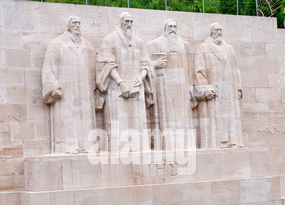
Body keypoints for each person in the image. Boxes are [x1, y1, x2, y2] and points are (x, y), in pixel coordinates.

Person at [96, 12, 155, 151]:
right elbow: (107, 63)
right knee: (118, 121)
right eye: (126, 21)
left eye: (131, 21)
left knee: (138, 121)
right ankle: (119, 149)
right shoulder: (109, 40)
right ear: (121, 22)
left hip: (136, 86)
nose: (129, 24)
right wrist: (120, 82)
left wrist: (141, 77)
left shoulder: (139, 42)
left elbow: (146, 63)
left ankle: (139, 147)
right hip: (116, 87)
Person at [41, 16, 96, 154]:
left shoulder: (87, 45)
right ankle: (67, 146)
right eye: (74, 23)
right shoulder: (57, 43)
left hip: (84, 88)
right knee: (67, 117)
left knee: (85, 116)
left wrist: (97, 89)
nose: (77, 25)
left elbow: (94, 68)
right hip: (66, 89)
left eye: (79, 23)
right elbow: (48, 67)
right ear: (68, 26)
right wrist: (53, 87)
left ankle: (86, 145)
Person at [146, 19, 195, 151]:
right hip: (164, 86)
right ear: (164, 29)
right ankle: (167, 145)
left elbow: (190, 67)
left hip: (182, 87)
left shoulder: (184, 45)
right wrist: (155, 65)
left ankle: (185, 145)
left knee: (183, 117)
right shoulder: (154, 44)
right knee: (165, 117)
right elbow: (145, 64)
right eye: (170, 26)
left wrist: (190, 87)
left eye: (175, 26)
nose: (173, 29)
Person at [193, 22, 244, 149]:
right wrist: (205, 88)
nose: (219, 32)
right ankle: (217, 143)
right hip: (214, 90)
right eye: (216, 30)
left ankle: (233, 142)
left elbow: (235, 69)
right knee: (215, 117)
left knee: (231, 117)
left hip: (229, 90)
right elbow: (199, 71)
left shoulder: (229, 49)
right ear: (211, 32)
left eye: (221, 30)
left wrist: (238, 87)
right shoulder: (203, 48)